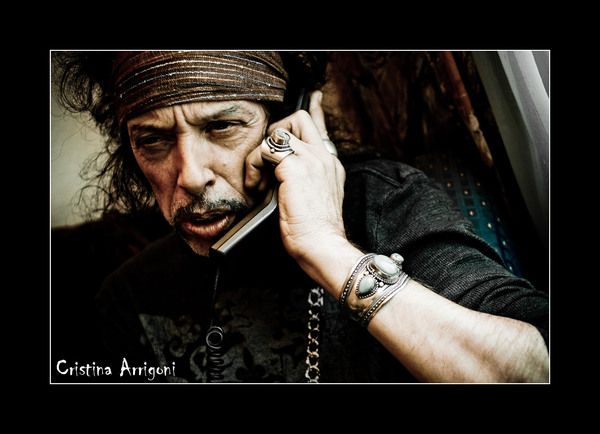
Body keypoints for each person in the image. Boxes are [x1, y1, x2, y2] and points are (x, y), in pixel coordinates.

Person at [53, 51, 549, 383]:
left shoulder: (384, 203)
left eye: (223, 127)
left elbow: (536, 367)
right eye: (153, 140)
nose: (190, 175)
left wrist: (326, 247)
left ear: (293, 121)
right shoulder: (128, 296)